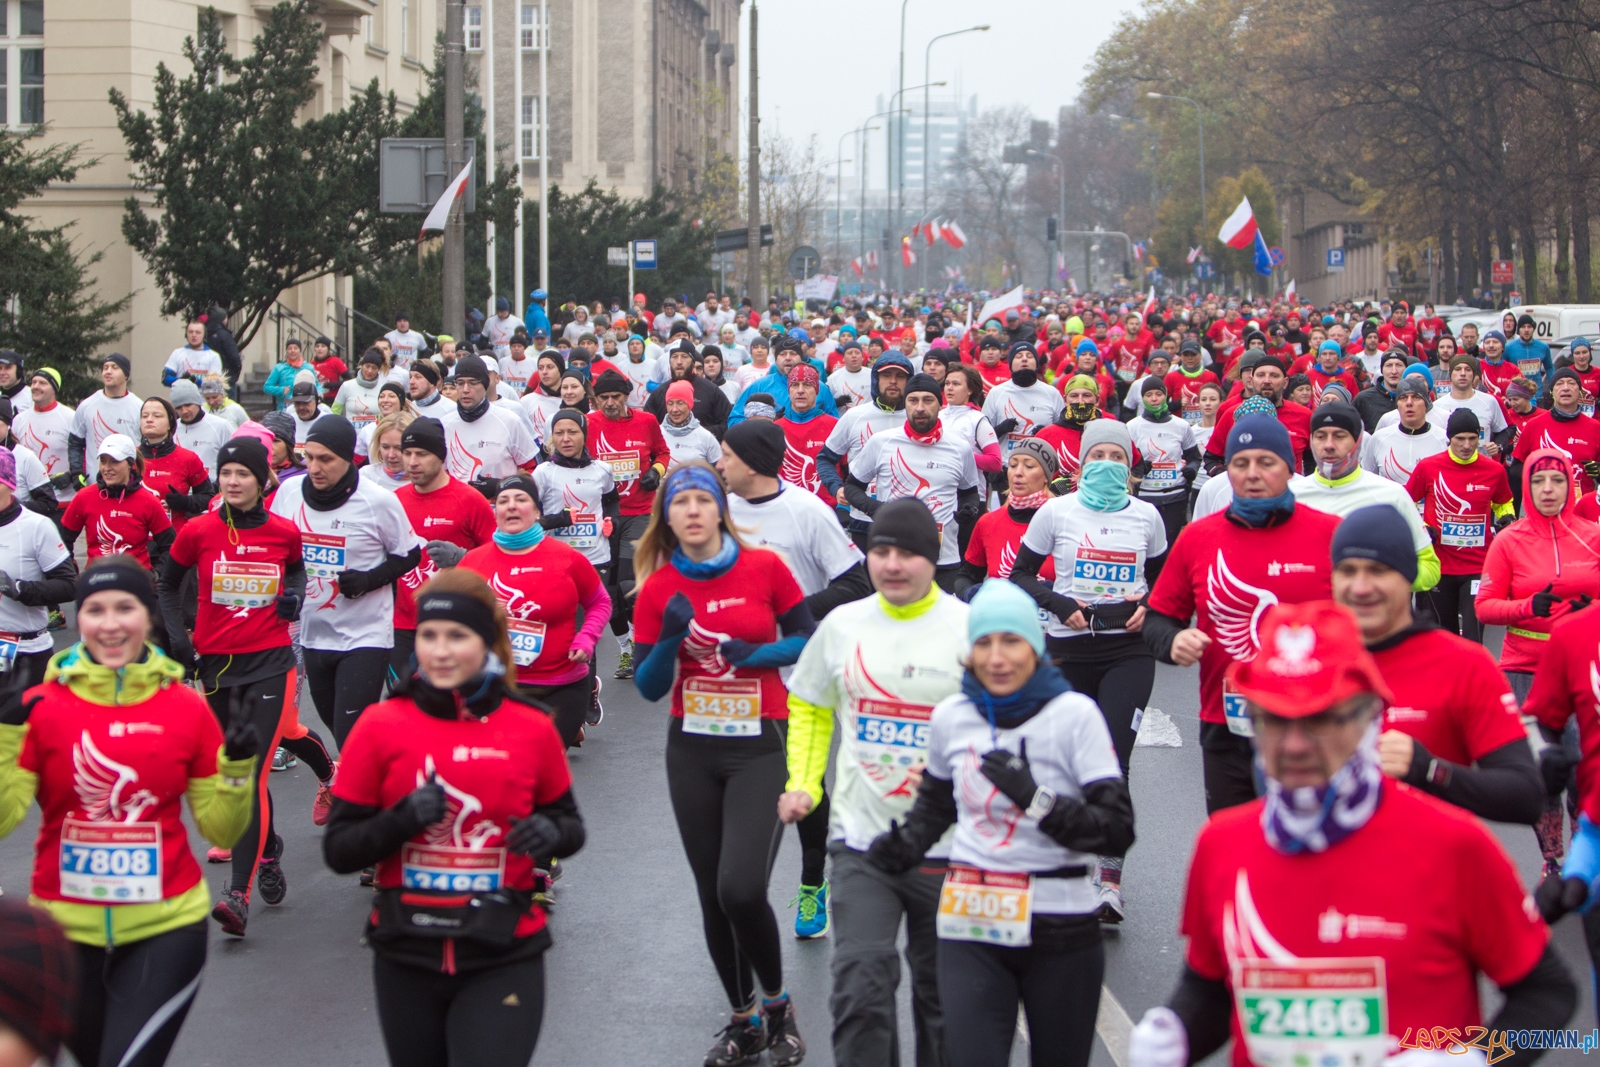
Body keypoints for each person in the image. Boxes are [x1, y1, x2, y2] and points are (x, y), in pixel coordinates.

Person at [1126, 601, 1576, 1067]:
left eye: (1320, 719)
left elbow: (1545, 993)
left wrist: (1475, 1058)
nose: (1295, 745)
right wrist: (1175, 1032)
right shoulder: (1222, 843)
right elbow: (1213, 989)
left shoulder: (1455, 844)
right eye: (1275, 720)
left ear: (1367, 719)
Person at [0, 557, 260, 1067]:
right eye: (95, 609)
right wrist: (6, 738)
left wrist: (236, 768)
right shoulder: (41, 706)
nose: (111, 623)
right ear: (78, 619)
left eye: (126, 607)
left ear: (147, 617)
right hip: (64, 936)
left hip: (166, 928)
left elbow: (220, 828)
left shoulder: (185, 707)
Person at [865, 580, 1133, 1067]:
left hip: (1061, 927)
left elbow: (1116, 829)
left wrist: (1036, 799)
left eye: (1011, 641)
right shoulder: (952, 716)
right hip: (972, 920)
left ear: (1035, 645)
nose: (996, 657)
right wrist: (894, 850)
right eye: (983, 643)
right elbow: (935, 812)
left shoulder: (1074, 715)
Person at [322, 570, 584, 1067]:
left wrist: (550, 832)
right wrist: (400, 820)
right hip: (407, 953)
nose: (440, 651)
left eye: (457, 637)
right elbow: (339, 851)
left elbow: (571, 829)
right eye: (428, 636)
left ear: (486, 642)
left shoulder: (530, 727)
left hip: (504, 951)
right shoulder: (380, 726)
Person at [631, 463, 813, 1067]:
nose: (691, 511)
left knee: (740, 887)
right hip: (692, 747)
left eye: (700, 500)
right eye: (678, 502)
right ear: (668, 516)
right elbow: (652, 689)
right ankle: (744, 1021)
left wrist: (757, 653)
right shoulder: (658, 588)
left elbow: (805, 637)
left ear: (718, 509)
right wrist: (666, 641)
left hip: (760, 742)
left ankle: (780, 1007)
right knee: (712, 895)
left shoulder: (763, 568)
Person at [778, 501, 966, 1065]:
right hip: (862, 842)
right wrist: (805, 782)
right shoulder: (843, 625)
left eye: (907, 553)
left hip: (951, 849)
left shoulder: (970, 628)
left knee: (944, 1002)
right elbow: (809, 705)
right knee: (860, 991)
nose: (892, 564)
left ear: (932, 558)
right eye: (880, 551)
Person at [1142, 415, 1341, 812]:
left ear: (1290, 467)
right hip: (1227, 724)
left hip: (1312, 727)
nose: (1252, 474)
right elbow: (1157, 619)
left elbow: (1372, 626)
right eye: (1240, 462)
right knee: (1235, 858)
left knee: (1306, 861)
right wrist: (1173, 640)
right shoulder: (1199, 538)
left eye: (1266, 462)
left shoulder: (1332, 534)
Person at [1009, 418, 1165, 922]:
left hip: (1128, 651)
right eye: (1096, 456)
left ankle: (1108, 880)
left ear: (1129, 465)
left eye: (1115, 458)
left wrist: (1154, 608)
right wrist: (1057, 603)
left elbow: (1166, 585)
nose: (1105, 465)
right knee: (1060, 760)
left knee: (1113, 761)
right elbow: (1023, 574)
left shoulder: (1147, 516)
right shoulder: (1055, 511)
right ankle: (1058, 864)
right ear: (1081, 462)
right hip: (1069, 648)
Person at [156, 437, 306, 936]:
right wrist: (181, 643)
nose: (234, 482)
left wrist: (291, 599)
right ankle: (268, 849)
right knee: (233, 774)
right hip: (215, 668)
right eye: (226, 474)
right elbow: (166, 583)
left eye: (244, 473)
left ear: (264, 480)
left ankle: (236, 894)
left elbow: (297, 576)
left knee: (250, 774)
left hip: (270, 663)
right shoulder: (198, 530)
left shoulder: (284, 533)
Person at [1330, 505, 1541, 825]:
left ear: (1410, 576)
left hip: (1430, 866)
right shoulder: (1306, 660)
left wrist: (1431, 770)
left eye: (1378, 570)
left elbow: (1525, 795)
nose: (1360, 587)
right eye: (1347, 570)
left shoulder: (1463, 664)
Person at [268, 415, 423, 747]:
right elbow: (282, 552)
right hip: (314, 631)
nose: (315, 467)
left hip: (365, 633)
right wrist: (288, 593)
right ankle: (390, 763)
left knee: (349, 735)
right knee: (336, 724)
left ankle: (359, 794)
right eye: (309, 457)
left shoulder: (378, 500)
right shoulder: (290, 492)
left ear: (347, 459)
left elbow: (409, 555)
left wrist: (368, 580)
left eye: (326, 459)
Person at [457, 474, 612, 748]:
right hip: (497, 687)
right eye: (503, 501)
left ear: (537, 510)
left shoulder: (566, 557)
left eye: (521, 499)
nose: (512, 506)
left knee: (540, 765)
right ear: (496, 511)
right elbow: (451, 619)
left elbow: (600, 601)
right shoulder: (474, 562)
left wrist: (586, 637)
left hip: (561, 686)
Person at [845, 374, 981, 591]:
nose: (919, 407)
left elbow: (970, 492)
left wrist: (969, 508)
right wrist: (877, 510)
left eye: (928, 400)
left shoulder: (959, 447)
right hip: (896, 559)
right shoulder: (882, 441)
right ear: (905, 403)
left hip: (944, 561)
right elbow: (851, 487)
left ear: (940, 404)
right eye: (913, 400)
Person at [1290, 401, 1440, 590]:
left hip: (1372, 616)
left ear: (1358, 441)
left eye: (1339, 436)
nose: (1328, 445)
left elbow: (1429, 567)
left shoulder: (1391, 495)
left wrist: (1379, 584)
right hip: (1311, 616)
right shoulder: (1291, 497)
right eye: (1320, 436)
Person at [587, 370, 671, 680]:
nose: (609, 403)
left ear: (626, 397)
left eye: (615, 397)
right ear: (596, 399)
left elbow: (662, 451)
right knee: (609, 595)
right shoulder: (589, 424)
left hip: (639, 512)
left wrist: (656, 472)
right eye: (604, 398)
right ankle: (626, 649)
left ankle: (645, 640)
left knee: (627, 584)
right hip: (602, 516)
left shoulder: (646, 421)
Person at [1405, 408, 1514, 642]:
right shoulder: (1429, 467)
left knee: (1473, 640)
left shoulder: (1494, 470)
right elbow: (1406, 503)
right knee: (1443, 638)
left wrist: (1507, 518)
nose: (1466, 445)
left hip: (1478, 566)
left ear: (1480, 438)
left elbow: (1504, 503)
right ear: (1449, 439)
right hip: (1439, 566)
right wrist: (1422, 527)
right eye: (1460, 439)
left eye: (1472, 439)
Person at [817, 353, 912, 550]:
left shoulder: (918, 418)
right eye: (887, 375)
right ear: (876, 379)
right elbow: (825, 458)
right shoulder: (855, 416)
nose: (893, 381)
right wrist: (837, 488)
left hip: (908, 518)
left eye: (900, 376)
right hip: (863, 517)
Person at [0, 448, 75, 688]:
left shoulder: (35, 526)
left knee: (18, 724)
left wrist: (20, 589)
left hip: (24, 650)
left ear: (8, 483)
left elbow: (69, 586)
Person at [956, 440, 1058, 598]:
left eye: (1029, 466)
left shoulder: (1062, 522)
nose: (1018, 472)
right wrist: (974, 596)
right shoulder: (988, 522)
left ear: (1046, 476)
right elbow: (966, 577)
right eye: (1013, 465)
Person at [61, 434, 174, 570]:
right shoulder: (84, 497)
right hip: (97, 583)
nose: (107, 468)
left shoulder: (148, 501)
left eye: (114, 461)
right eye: (103, 461)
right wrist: (72, 575)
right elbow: (62, 542)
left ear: (130, 464)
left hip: (136, 584)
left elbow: (170, 546)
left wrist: (156, 577)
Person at [437, 355, 538, 497]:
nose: (465, 389)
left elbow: (532, 470)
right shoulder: (444, 424)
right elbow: (440, 477)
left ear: (485, 385)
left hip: (501, 510)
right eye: (460, 383)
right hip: (461, 510)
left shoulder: (510, 420)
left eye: (473, 382)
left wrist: (501, 486)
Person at [1126, 375, 1199, 549]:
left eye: (1158, 394)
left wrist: (1192, 469)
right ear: (1142, 398)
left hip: (1174, 497)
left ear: (1165, 396)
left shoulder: (1181, 426)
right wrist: (1140, 468)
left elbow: (1194, 457)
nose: (1154, 398)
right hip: (1145, 497)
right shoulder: (1132, 426)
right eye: (1149, 394)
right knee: (1146, 547)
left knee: (1170, 547)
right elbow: (1125, 462)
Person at [1512, 366, 1600, 497]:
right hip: (1545, 505)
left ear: (1580, 391)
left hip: (1580, 510)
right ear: (1552, 392)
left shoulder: (1595, 428)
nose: (1565, 388)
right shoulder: (1534, 425)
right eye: (1559, 384)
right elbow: (1515, 468)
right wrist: (1538, 473)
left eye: (1571, 383)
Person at [137, 397, 214, 532]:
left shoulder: (187, 458)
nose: (149, 419)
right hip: (136, 543)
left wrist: (186, 503)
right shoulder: (128, 457)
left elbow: (209, 497)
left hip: (173, 542)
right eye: (145, 416)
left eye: (157, 416)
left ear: (170, 424)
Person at [981, 344, 1063, 463]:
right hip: (1006, 468)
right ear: (1011, 365)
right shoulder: (996, 393)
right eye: (1018, 356)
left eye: (1029, 356)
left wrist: (1046, 434)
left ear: (1036, 364)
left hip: (1040, 466)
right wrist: (999, 430)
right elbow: (981, 436)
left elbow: (1062, 433)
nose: (1024, 359)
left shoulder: (1052, 393)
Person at [68, 354, 142, 485]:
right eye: (105, 367)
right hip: (96, 485)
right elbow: (75, 443)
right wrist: (76, 473)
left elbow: (145, 447)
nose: (108, 371)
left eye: (114, 367)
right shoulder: (87, 405)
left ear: (126, 374)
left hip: (130, 485)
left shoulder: (139, 407)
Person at [1361, 374, 1447, 483]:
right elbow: (1366, 479)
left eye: (1416, 397)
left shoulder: (1444, 439)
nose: (1409, 403)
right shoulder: (1379, 438)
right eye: (1403, 398)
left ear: (1426, 404)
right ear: (1397, 405)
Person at [168, 379, 233, 478]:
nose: (184, 411)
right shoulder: (172, 429)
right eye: (179, 407)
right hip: (182, 489)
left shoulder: (221, 426)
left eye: (188, 405)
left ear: (198, 402)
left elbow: (234, 459)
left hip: (213, 489)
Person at [660, 380, 723, 468]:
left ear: (689, 404)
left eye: (680, 403)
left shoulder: (705, 437)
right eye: (670, 403)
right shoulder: (657, 433)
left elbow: (720, 471)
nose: (674, 409)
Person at [333, 349, 389, 433]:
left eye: (374, 368)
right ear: (362, 365)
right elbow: (334, 412)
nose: (370, 371)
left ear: (378, 369)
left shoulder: (383, 389)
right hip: (350, 438)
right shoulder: (346, 386)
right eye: (367, 366)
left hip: (374, 438)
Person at [1505, 311, 1553, 396]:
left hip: (1537, 395)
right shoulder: (1509, 347)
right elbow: (1503, 369)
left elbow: (1549, 368)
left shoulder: (1543, 347)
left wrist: (1553, 387)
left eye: (1529, 327)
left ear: (1533, 329)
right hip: (1517, 395)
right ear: (1518, 330)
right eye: (1523, 327)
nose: (1526, 330)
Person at [162, 321, 224, 386]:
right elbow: (165, 379)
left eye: (198, 332)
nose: (194, 335)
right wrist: (182, 380)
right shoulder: (177, 353)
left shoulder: (213, 356)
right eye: (190, 332)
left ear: (204, 335)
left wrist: (195, 381)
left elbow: (215, 384)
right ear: (186, 334)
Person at [264, 339, 310, 410]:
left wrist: (319, 392)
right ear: (286, 351)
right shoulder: (279, 368)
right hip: (285, 407)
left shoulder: (308, 367)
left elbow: (316, 385)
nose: (292, 351)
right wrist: (281, 390)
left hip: (304, 405)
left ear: (300, 351)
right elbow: (267, 387)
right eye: (289, 348)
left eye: (295, 348)